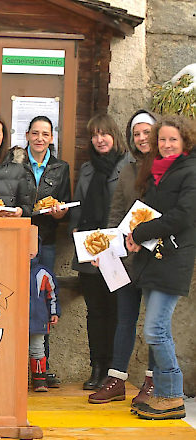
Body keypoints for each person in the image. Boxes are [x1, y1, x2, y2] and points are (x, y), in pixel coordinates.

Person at [126, 115, 196, 420]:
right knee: (157, 329)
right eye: (162, 140)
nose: (166, 145)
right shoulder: (155, 172)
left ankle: (171, 395)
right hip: (153, 258)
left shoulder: (190, 171)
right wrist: (132, 236)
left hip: (174, 259)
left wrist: (140, 233)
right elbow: (148, 213)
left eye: (173, 140)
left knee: (155, 329)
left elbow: (181, 216)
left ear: (185, 143)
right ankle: (166, 395)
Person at [88, 110, 158, 405]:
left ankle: (154, 381)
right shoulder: (128, 169)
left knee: (156, 323)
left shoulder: (170, 169)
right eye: (137, 134)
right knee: (125, 318)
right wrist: (106, 249)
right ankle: (116, 379)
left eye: (146, 132)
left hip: (157, 256)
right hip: (129, 256)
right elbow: (117, 212)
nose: (142, 138)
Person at [68, 114, 132, 390]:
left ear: (115, 136)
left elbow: (129, 207)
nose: (99, 139)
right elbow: (78, 207)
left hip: (117, 252)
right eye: (94, 135)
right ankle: (96, 367)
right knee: (95, 312)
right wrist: (78, 237)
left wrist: (111, 246)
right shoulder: (86, 169)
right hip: (89, 251)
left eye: (104, 134)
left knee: (116, 312)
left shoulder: (128, 165)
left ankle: (113, 371)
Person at [22, 115, 71, 389]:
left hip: (47, 240)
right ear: (27, 135)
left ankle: (43, 366)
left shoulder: (60, 168)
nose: (40, 138)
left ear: (52, 138)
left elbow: (64, 205)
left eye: (45, 134)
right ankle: (17, 363)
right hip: (18, 241)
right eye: (35, 133)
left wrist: (60, 213)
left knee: (44, 303)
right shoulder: (16, 163)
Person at [29, 255, 60, 392]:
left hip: (38, 318)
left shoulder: (44, 273)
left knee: (37, 348)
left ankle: (39, 378)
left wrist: (54, 313)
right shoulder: (10, 268)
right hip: (15, 319)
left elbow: (52, 295)